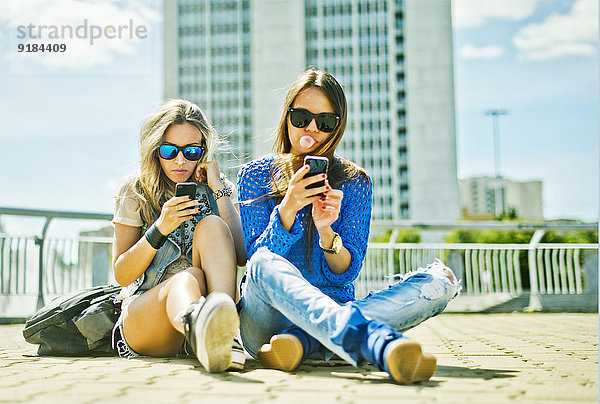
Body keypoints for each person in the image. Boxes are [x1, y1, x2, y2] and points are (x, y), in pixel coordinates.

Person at [236, 69, 461, 384]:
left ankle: (303, 342)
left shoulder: (356, 182)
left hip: (331, 304)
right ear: (287, 117)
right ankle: (367, 340)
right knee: (261, 261)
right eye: (301, 117)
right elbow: (258, 260)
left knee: (441, 282)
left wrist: (327, 231)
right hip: (265, 320)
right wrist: (288, 208)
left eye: (325, 122)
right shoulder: (254, 175)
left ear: (337, 127)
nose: (312, 128)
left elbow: (346, 272)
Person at [111, 99, 247, 373]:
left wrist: (218, 190)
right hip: (146, 319)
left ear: (204, 151)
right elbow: (122, 274)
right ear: (155, 151)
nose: (181, 161)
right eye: (169, 151)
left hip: (204, 308)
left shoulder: (219, 188)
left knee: (211, 228)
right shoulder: (135, 190)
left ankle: (223, 337)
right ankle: (209, 333)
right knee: (185, 278)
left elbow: (242, 257)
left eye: (192, 151)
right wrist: (160, 227)